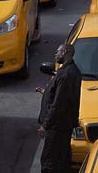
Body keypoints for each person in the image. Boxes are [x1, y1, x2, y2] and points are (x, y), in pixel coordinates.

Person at [37, 43, 81, 173]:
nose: (55, 54)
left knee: (49, 162)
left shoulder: (66, 75)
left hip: (57, 128)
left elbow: (58, 104)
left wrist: (45, 125)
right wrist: (46, 92)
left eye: (58, 51)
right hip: (62, 127)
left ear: (65, 52)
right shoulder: (68, 71)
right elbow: (60, 94)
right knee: (62, 161)